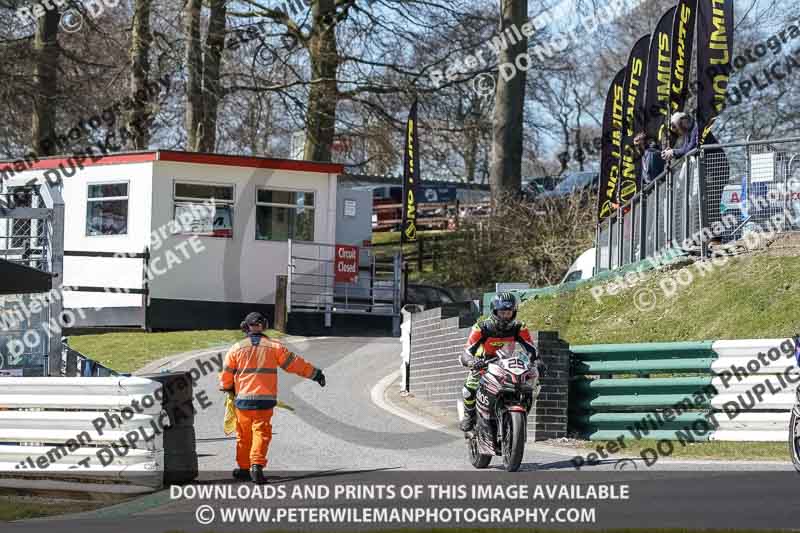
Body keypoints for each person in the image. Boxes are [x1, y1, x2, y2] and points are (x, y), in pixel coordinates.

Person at [219, 312, 326, 484]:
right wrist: (316, 374)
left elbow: (226, 374)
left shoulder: (236, 348)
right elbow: (295, 364)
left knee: (243, 435)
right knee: (261, 433)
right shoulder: (274, 347)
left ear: (245, 327)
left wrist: (226, 387)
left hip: (243, 401)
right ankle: (257, 467)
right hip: (264, 401)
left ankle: (244, 468)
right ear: (264, 326)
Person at [458, 292, 547, 432]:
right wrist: (471, 362)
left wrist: (538, 361)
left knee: (529, 384)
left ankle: (518, 413)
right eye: (502, 312)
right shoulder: (481, 327)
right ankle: (469, 415)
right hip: (483, 364)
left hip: (506, 364)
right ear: (494, 311)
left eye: (509, 312)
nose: (506, 316)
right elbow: (467, 352)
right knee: (468, 390)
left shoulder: (519, 327)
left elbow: (530, 347)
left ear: (514, 312)